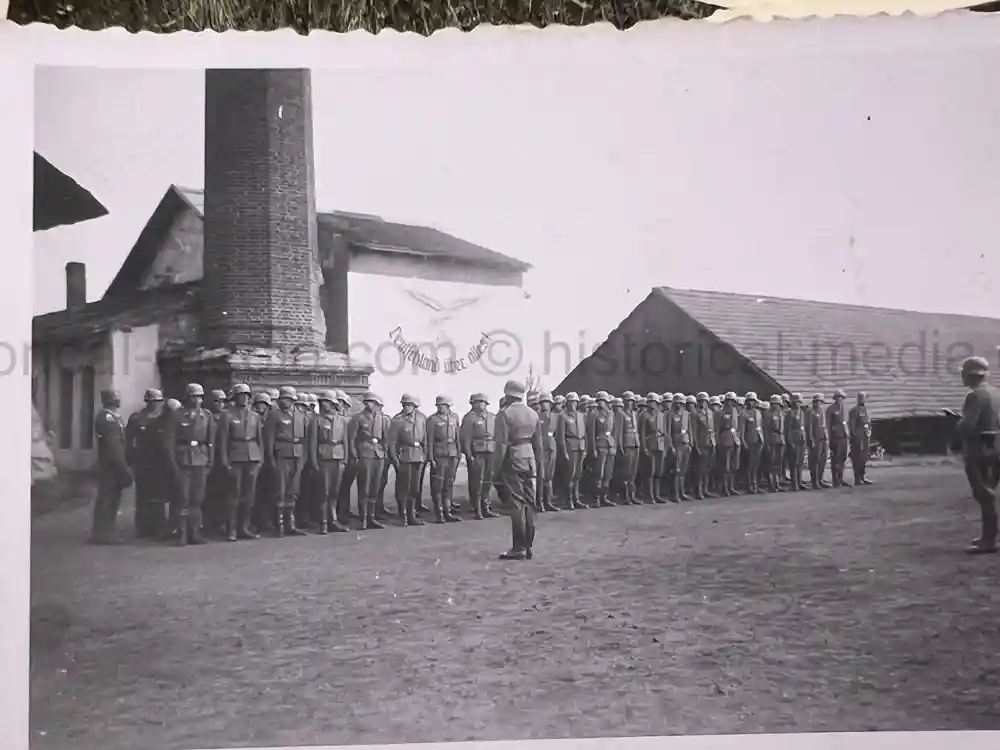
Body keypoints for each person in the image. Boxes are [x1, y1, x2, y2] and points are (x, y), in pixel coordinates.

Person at [953, 356, 1000, 555]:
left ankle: (989, 540)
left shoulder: (974, 396)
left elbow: (968, 426)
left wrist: (956, 425)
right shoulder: (996, 393)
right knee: (989, 492)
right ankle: (988, 536)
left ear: (971, 375)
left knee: (984, 494)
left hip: (979, 449)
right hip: (996, 446)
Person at [494, 379, 543, 560]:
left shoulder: (504, 414)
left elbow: (501, 445)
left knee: (516, 504)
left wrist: (496, 469)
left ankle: (518, 547)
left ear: (508, 394)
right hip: (529, 458)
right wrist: (538, 465)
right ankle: (528, 545)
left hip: (513, 459)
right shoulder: (533, 413)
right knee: (530, 503)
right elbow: (538, 444)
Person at [162, 383, 215, 546]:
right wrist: (173, 464)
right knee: (182, 498)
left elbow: (211, 441)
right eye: (194, 397)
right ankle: (181, 533)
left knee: (197, 498)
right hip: (183, 460)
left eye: (199, 397)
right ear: (187, 397)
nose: (197, 400)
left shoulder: (206, 415)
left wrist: (210, 461)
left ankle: (195, 532)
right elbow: (169, 442)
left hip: (201, 459)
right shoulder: (177, 415)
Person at [215, 383, 264, 541]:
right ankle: (232, 528)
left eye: (246, 396)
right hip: (235, 457)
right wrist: (225, 461)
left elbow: (259, 440)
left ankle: (244, 527)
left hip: (252, 457)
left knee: (249, 496)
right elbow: (223, 441)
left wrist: (260, 459)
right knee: (233, 496)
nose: (244, 399)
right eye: (241, 396)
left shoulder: (255, 416)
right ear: (235, 398)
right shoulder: (227, 415)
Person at [263, 386, 309, 537]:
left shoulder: (301, 416)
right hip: (281, 454)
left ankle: (291, 524)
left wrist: (304, 458)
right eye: (282, 399)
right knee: (280, 491)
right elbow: (269, 439)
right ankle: (280, 525)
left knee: (293, 490)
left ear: (293, 400)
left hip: (297, 455)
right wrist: (270, 457)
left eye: (287, 399)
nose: (284, 402)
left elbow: (305, 439)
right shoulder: (274, 416)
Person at [91, 389, 133, 545]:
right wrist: (123, 468)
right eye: (115, 398)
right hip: (110, 466)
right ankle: (102, 533)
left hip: (113, 465)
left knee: (113, 499)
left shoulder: (114, 418)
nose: (118, 400)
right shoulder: (107, 419)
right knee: (107, 499)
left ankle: (107, 530)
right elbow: (114, 447)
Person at [124, 388, 165, 538]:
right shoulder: (137, 418)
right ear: (147, 401)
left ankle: (158, 526)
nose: (156, 404)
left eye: (158, 401)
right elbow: (128, 440)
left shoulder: (163, 418)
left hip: (159, 461)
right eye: (153, 401)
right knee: (143, 495)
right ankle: (142, 527)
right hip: (143, 461)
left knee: (159, 495)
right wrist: (130, 459)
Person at [386, 394, 428, 527]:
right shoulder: (397, 420)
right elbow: (392, 442)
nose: (407, 407)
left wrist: (425, 455)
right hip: (404, 456)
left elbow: (425, 438)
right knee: (403, 487)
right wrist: (394, 458)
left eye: (409, 405)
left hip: (418, 456)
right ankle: (403, 515)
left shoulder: (421, 418)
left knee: (414, 487)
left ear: (415, 406)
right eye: (404, 405)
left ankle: (411, 515)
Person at [460, 393, 499, 519]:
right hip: (477, 452)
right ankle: (477, 509)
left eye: (483, 402)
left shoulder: (492, 417)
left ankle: (486, 507)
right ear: (473, 404)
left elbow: (497, 435)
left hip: (491, 451)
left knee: (488, 480)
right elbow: (466, 438)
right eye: (478, 402)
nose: (480, 404)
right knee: (477, 482)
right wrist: (469, 454)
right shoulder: (469, 418)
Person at [426, 395, 463, 523]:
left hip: (452, 454)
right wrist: (431, 458)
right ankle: (439, 513)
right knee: (438, 485)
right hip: (439, 455)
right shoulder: (432, 420)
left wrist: (458, 453)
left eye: (443, 405)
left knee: (449, 484)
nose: (440, 407)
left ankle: (448, 512)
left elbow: (457, 437)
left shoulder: (454, 417)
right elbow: (429, 440)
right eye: (439, 405)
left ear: (448, 406)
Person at [556, 392, 589, 509]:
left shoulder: (580, 416)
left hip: (580, 446)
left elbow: (585, 433)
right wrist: (564, 451)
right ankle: (568, 499)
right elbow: (561, 436)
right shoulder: (563, 416)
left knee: (578, 474)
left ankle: (576, 499)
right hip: (570, 446)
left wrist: (585, 448)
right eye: (570, 402)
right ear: (566, 403)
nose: (573, 404)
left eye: (574, 402)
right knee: (570, 474)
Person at [848, 392, 874, 486]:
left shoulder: (864, 410)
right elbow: (852, 425)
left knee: (864, 457)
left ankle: (862, 476)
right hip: (858, 438)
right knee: (857, 457)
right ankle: (857, 478)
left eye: (864, 398)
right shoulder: (854, 411)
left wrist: (869, 430)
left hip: (865, 437)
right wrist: (856, 436)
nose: (863, 400)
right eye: (861, 398)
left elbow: (866, 423)